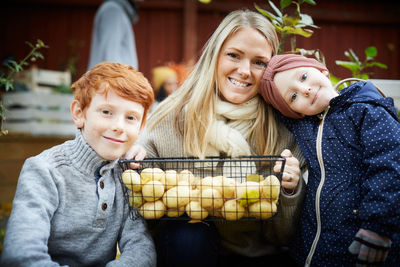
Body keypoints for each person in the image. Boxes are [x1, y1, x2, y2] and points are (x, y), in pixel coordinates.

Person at [131, 9, 307, 267]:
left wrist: (290, 190)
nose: (244, 71)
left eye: (259, 62)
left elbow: (282, 235)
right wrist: (136, 159)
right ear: (215, 56)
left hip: (254, 253)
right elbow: (147, 208)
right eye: (234, 55)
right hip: (187, 253)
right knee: (190, 235)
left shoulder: (279, 129)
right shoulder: (176, 116)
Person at [0, 62, 156, 266]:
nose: (118, 126)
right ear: (79, 114)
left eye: (130, 117)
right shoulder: (44, 170)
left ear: (141, 126)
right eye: (106, 112)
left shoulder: (126, 175)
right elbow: (21, 256)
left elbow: (141, 250)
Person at [259, 53, 400, 266]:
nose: (304, 89)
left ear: (321, 69)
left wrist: (377, 228)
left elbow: (389, 168)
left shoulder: (367, 110)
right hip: (309, 247)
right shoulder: (305, 124)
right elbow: (266, 107)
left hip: (361, 240)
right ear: (293, 112)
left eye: (304, 76)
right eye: (293, 97)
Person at [88, 0, 140, 70]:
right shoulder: (113, 11)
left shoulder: (117, 10)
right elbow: (110, 57)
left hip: (116, 78)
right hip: (111, 79)